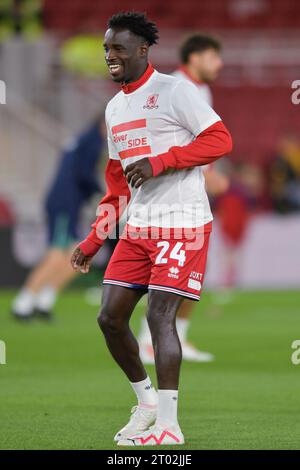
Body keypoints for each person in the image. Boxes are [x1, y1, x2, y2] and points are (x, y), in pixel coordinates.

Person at [71, 12, 232, 446]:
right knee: (109, 318)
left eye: (118, 48)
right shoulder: (115, 107)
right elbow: (118, 184)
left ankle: (169, 427)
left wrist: (162, 161)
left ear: (143, 50)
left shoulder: (175, 90)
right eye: (107, 48)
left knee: (160, 316)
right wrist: (93, 239)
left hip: (183, 224)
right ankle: (145, 405)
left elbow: (220, 140)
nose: (110, 56)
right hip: (138, 227)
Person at [138, 33, 229, 363]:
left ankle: (161, 339)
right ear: (195, 58)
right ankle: (150, 341)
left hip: (186, 187)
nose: (219, 63)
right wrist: (208, 175)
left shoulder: (197, 89)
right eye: (213, 56)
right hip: (173, 192)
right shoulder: (179, 88)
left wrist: (208, 172)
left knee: (183, 270)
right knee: (177, 268)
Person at [12, 115, 104, 320]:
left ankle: (44, 300)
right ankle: (23, 303)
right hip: (64, 205)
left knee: (77, 255)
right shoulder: (92, 142)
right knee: (56, 255)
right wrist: (101, 193)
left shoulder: (82, 140)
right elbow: (84, 174)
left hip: (66, 204)